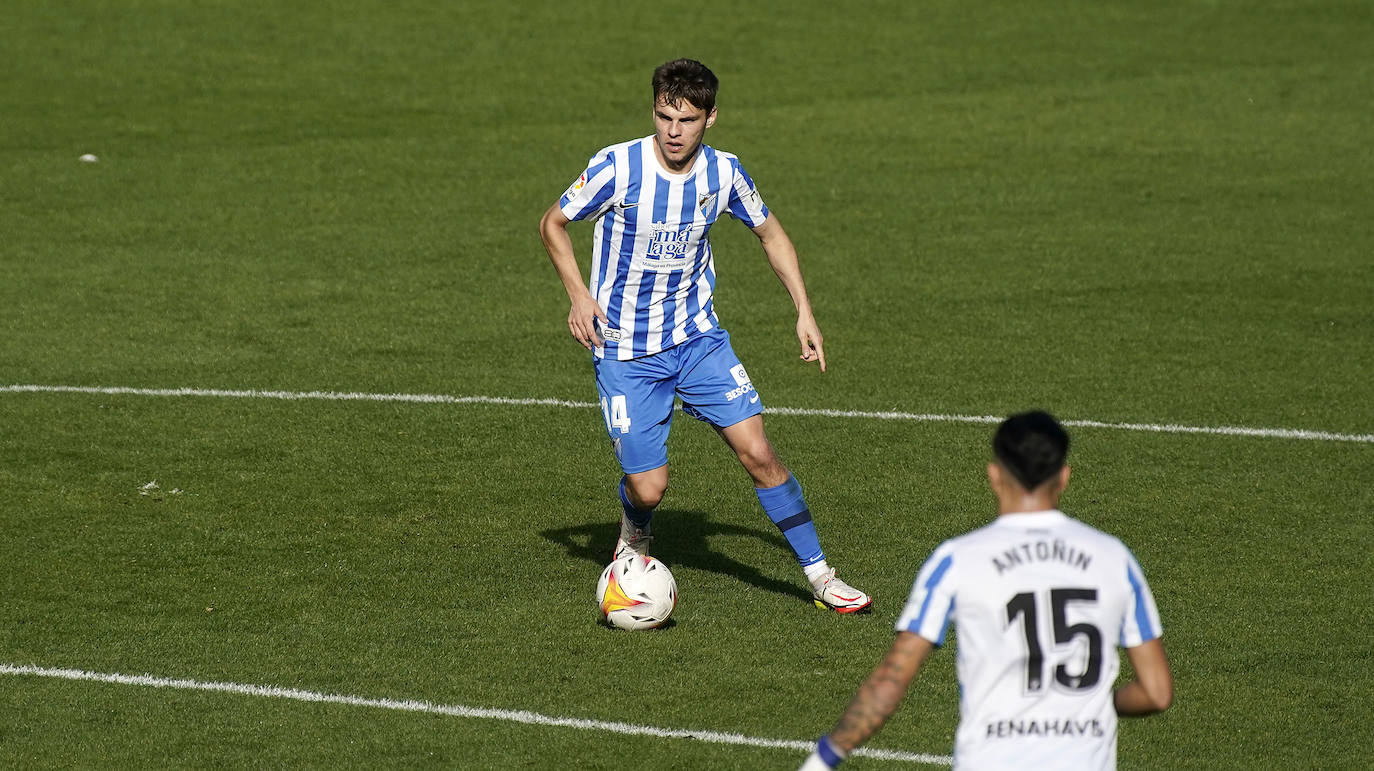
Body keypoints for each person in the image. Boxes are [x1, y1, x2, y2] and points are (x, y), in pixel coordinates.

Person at [538, 58, 870, 613]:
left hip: (698, 341)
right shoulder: (617, 167)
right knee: (649, 488)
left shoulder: (725, 174)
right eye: (665, 116)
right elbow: (553, 222)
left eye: (687, 120)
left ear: (710, 119)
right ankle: (635, 529)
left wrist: (803, 311)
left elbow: (772, 235)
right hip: (624, 350)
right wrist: (578, 294)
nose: (673, 131)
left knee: (760, 452)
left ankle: (820, 576)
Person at [801, 411, 1173, 769]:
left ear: (994, 476)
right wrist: (1097, 704)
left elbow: (891, 682)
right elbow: (1156, 692)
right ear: (1064, 477)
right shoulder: (1113, 559)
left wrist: (823, 760)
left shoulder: (958, 560)